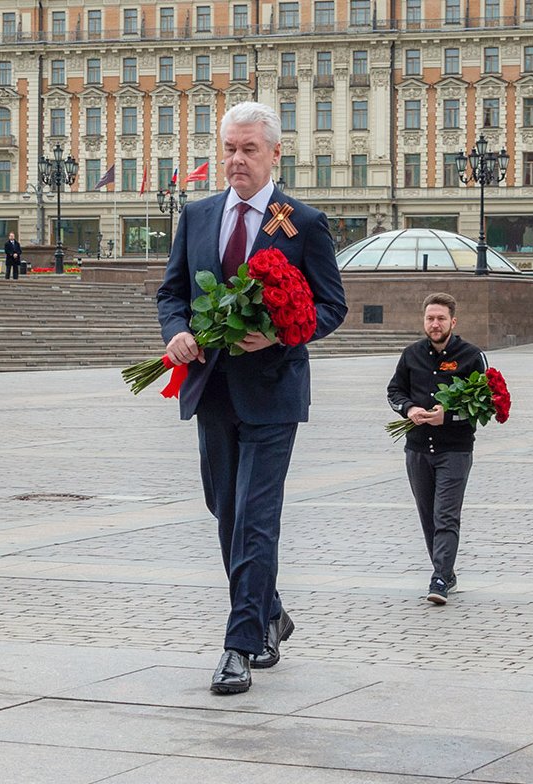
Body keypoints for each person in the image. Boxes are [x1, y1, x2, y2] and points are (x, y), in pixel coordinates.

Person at [156, 101, 348, 695]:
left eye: (249, 150)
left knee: (256, 522)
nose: (238, 161)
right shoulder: (198, 214)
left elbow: (331, 305)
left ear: (275, 154)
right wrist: (178, 334)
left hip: (272, 393)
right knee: (226, 512)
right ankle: (270, 611)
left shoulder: (302, 222)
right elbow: (172, 293)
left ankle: (238, 646)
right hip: (211, 389)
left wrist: (285, 329)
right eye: (230, 150)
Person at [386, 293, 488, 606]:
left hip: (454, 450)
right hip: (417, 448)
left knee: (446, 515)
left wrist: (450, 416)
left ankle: (440, 578)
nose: (435, 324)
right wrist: (408, 409)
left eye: (441, 318)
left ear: (453, 322)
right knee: (428, 516)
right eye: (430, 318)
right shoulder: (411, 354)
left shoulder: (471, 355)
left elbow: (485, 402)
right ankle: (446, 570)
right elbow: (394, 391)